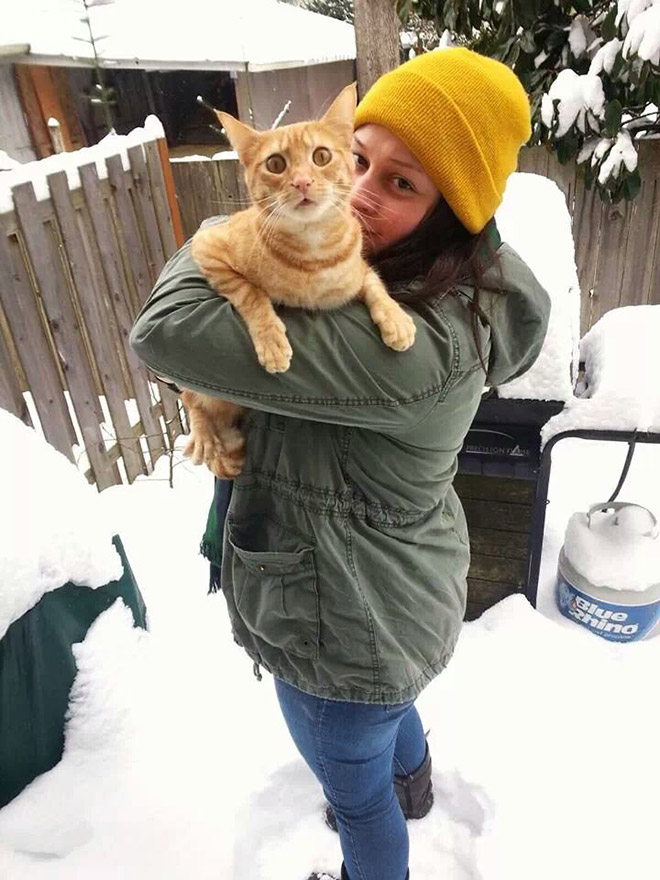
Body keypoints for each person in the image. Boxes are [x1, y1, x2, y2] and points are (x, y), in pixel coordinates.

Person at [130, 48, 551, 880]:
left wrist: (237, 223)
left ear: (454, 211)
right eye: (358, 156)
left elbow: (165, 329)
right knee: (387, 717)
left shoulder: (408, 347)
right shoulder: (425, 279)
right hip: (399, 595)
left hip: (342, 623)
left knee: (357, 801)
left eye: (402, 184)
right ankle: (415, 781)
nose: (354, 189)